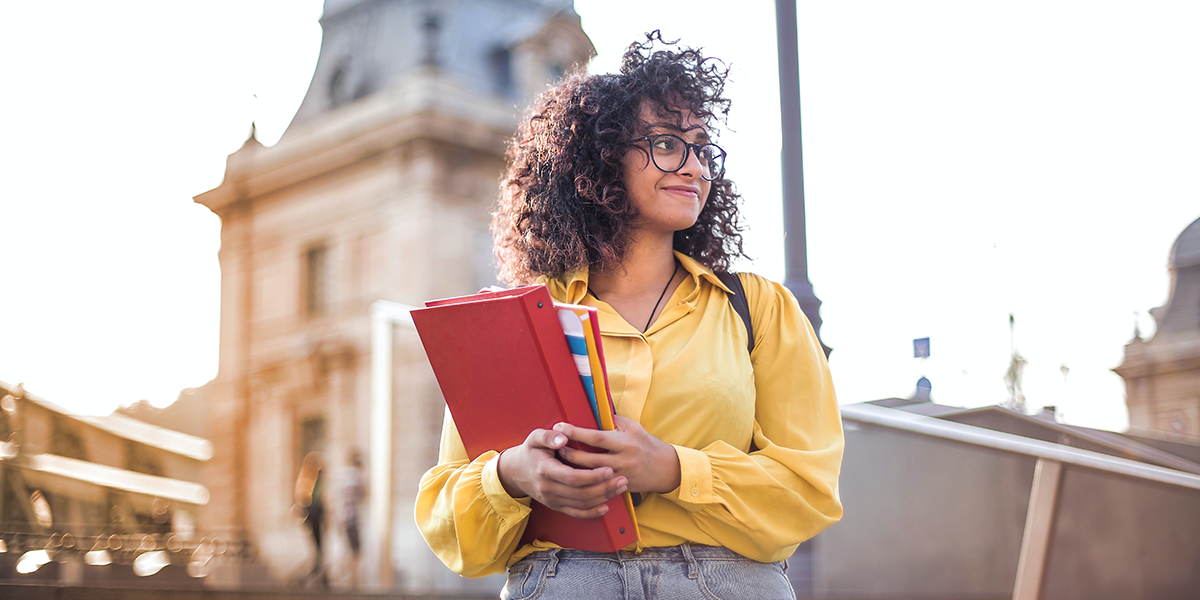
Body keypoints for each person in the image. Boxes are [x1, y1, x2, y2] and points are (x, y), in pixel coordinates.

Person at [415, 32, 843, 599]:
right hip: (564, 580)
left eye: (701, 146)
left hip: (725, 582)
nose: (693, 165)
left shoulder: (759, 308)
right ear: (600, 158)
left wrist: (671, 468)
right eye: (667, 143)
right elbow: (452, 525)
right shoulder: (521, 319)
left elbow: (809, 491)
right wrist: (514, 475)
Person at [294, 451, 328, 588]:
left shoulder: (315, 480)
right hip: (313, 517)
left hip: (316, 518)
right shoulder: (308, 480)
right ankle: (317, 578)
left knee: (319, 550)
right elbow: (303, 499)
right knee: (317, 550)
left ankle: (322, 578)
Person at [337, 449, 367, 589]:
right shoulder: (355, 476)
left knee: (349, 550)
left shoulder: (342, 476)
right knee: (356, 551)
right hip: (352, 518)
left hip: (342, 518)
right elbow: (364, 493)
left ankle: (349, 578)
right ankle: (352, 581)